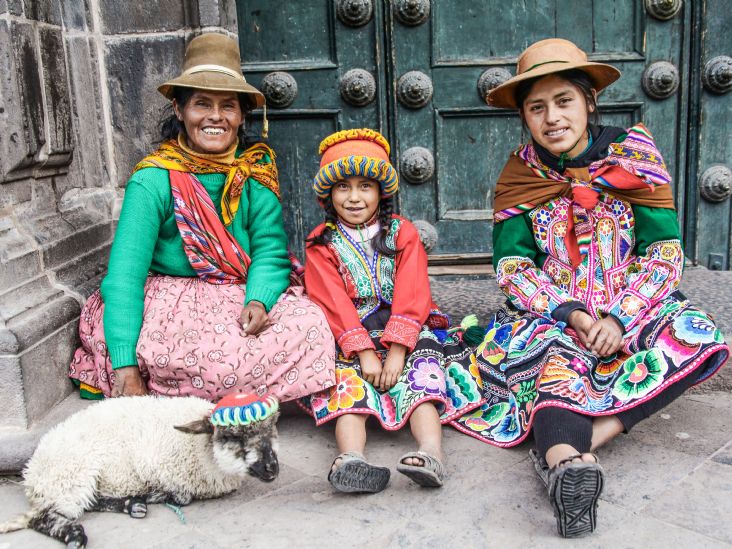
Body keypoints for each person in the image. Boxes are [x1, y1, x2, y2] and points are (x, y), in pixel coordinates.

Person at [454, 39, 729, 537]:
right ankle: (565, 461)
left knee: (695, 333)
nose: (552, 117)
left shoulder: (633, 159)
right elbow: (513, 265)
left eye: (564, 101)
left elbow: (664, 252)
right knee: (557, 362)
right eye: (537, 108)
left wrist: (621, 316)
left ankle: (575, 451)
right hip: (555, 316)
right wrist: (573, 314)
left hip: (632, 311)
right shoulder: (521, 176)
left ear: (589, 102)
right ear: (524, 116)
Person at [69, 33, 335, 402]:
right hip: (168, 301)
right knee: (178, 355)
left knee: (311, 328)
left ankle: (199, 393)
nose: (215, 117)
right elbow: (125, 276)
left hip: (237, 290)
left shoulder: (254, 171)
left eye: (228, 106)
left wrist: (258, 301)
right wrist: (125, 366)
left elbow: (270, 251)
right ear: (179, 110)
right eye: (201, 104)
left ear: (242, 116)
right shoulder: (153, 179)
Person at [303, 129, 484, 492]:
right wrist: (365, 354)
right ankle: (351, 459)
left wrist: (399, 350)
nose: (354, 198)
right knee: (350, 392)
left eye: (365, 186)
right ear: (328, 194)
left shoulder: (402, 233)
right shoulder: (321, 242)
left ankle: (431, 454)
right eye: (342, 187)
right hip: (351, 335)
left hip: (409, 330)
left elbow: (412, 290)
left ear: (381, 192)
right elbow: (332, 301)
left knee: (421, 384)